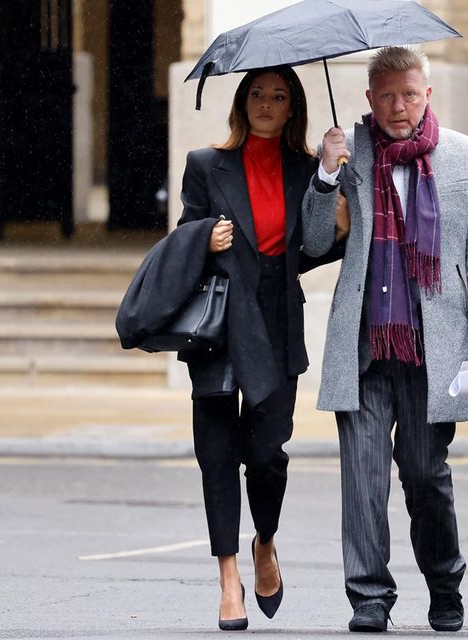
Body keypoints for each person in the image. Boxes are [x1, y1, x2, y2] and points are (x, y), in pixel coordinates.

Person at [301, 46, 468, 633]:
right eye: (386, 95)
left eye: (409, 94)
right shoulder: (350, 151)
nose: (398, 106)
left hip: (432, 348)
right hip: (364, 346)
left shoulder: (467, 158)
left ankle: (445, 581)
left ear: (428, 94)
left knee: (424, 475)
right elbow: (315, 245)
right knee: (362, 481)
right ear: (369, 98)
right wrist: (325, 175)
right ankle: (369, 598)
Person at [176, 65, 341, 631]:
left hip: (274, 319)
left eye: (278, 96)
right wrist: (205, 236)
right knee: (217, 451)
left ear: (292, 107)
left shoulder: (304, 169)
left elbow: (315, 248)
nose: (266, 104)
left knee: (267, 453)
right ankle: (228, 579)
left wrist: (330, 180)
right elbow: (181, 240)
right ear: (241, 102)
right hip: (219, 323)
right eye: (256, 94)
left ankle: (265, 541)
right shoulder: (205, 164)